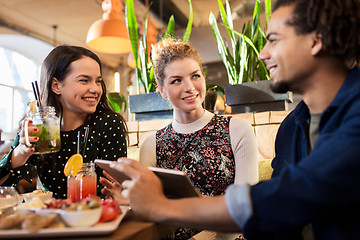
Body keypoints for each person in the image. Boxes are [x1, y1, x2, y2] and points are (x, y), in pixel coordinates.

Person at [106, 0, 360, 239]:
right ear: (161, 90)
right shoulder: (291, 129)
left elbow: (283, 197)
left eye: (272, 39)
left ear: (316, 41)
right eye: (175, 81)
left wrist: (159, 205)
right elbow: (282, 216)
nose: (262, 54)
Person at [103, 38, 258, 240]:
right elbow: (154, 210)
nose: (190, 87)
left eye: (195, 76)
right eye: (176, 80)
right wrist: (131, 203)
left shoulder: (237, 129)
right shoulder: (152, 144)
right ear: (162, 91)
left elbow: (244, 209)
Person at [0, 45, 127, 199]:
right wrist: (21, 151)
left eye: (98, 81)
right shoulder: (39, 127)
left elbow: (113, 190)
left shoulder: (108, 123)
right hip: (51, 216)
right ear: (56, 85)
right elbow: (4, 188)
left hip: (95, 215)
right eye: (84, 80)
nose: (95, 89)